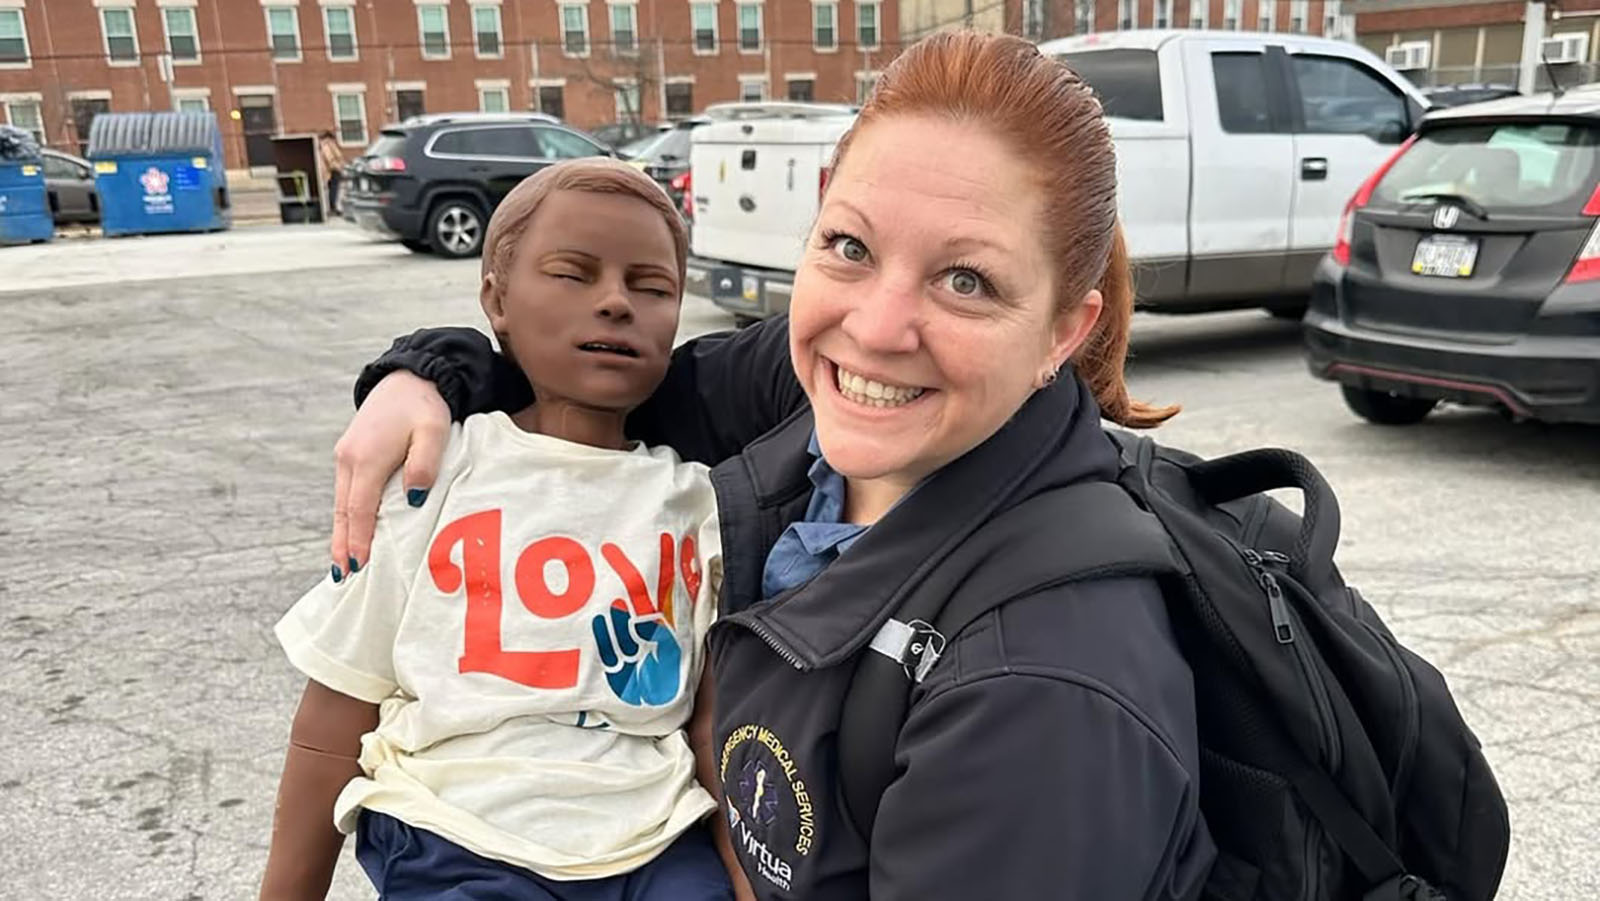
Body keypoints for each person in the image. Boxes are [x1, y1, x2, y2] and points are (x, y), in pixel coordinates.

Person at [328, 32, 1215, 900]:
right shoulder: (808, 398)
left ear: (1064, 330)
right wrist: (428, 374)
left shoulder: (1045, 695)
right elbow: (598, 378)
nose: (873, 328)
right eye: (852, 247)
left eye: (967, 281)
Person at [260, 159, 746, 900]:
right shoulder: (437, 472)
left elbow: (709, 721)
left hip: (653, 834)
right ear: (496, 298)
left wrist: (744, 879)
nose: (616, 302)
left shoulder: (698, 498)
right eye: (572, 273)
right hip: (454, 830)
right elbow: (335, 709)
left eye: (651, 286)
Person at [318, 130, 344, 216]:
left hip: (330, 170)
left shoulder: (324, 145)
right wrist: (338, 167)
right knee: (334, 189)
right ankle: (333, 207)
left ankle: (332, 207)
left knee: (332, 189)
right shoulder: (327, 145)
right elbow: (330, 158)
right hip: (332, 170)